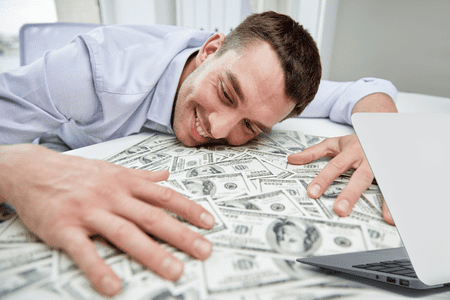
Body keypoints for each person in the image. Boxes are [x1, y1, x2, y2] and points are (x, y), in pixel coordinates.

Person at [0, 11, 397, 297]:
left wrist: (380, 137)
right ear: (209, 50)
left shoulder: (266, 86)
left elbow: (366, 89)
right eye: (227, 94)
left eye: (250, 127)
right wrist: (16, 169)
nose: (219, 129)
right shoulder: (93, 72)